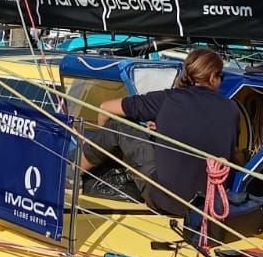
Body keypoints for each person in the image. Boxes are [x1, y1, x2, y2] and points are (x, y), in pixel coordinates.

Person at [81, 48, 239, 215]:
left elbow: (105, 108)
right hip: (209, 206)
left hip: (166, 202)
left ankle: (73, 175)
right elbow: (220, 146)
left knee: (118, 126)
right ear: (213, 77)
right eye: (221, 76)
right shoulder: (232, 108)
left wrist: (96, 139)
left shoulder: (167, 99)